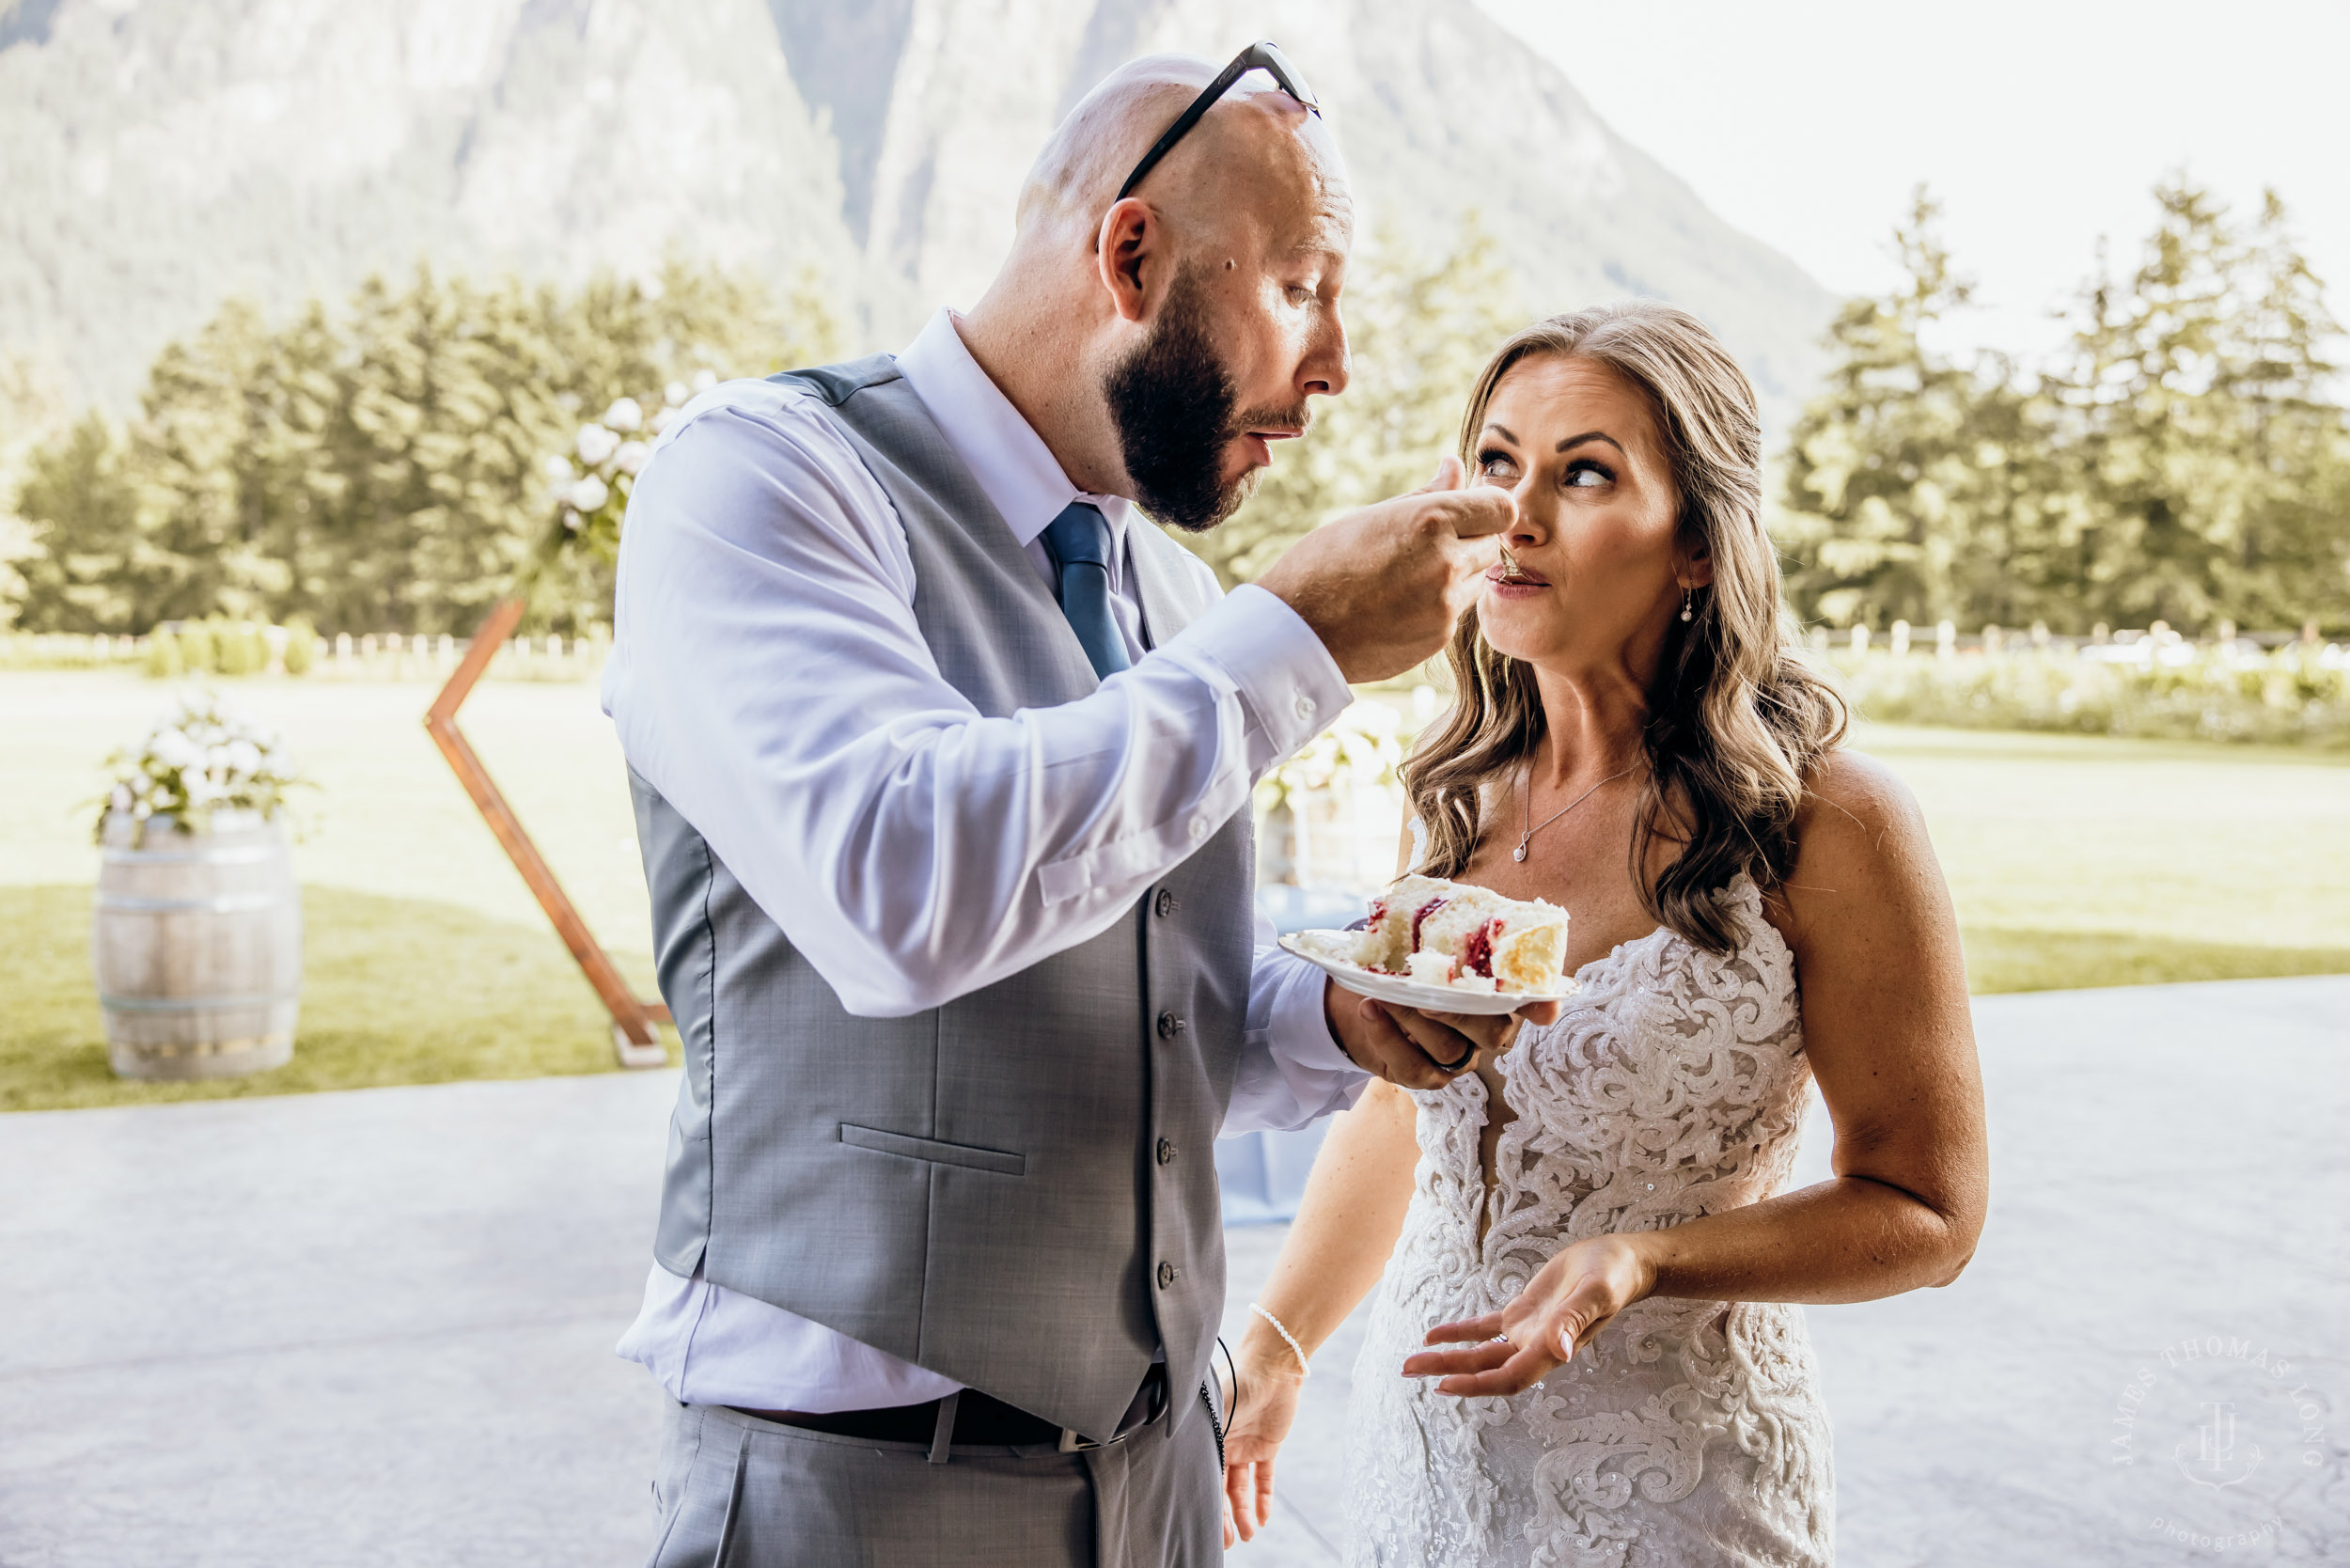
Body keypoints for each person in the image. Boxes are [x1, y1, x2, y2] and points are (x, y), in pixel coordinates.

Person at [601, 45, 1547, 1568]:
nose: (1339, 365)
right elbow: (893, 889)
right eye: (1306, 284)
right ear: (1131, 252)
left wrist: (1332, 1026)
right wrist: (1290, 644)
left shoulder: (1172, 595)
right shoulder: (765, 478)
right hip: (855, 1494)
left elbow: (1142, 1007)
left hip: (1157, 1484)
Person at [1218, 303, 1992, 1566]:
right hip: (1420, 1462)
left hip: (1672, 1488)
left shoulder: (1829, 821)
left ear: (1695, 543)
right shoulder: (1463, 792)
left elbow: (1929, 1213)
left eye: (1584, 473)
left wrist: (1643, 1261)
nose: (1514, 516)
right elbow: (1403, 1111)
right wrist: (1281, 1341)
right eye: (1496, 462)